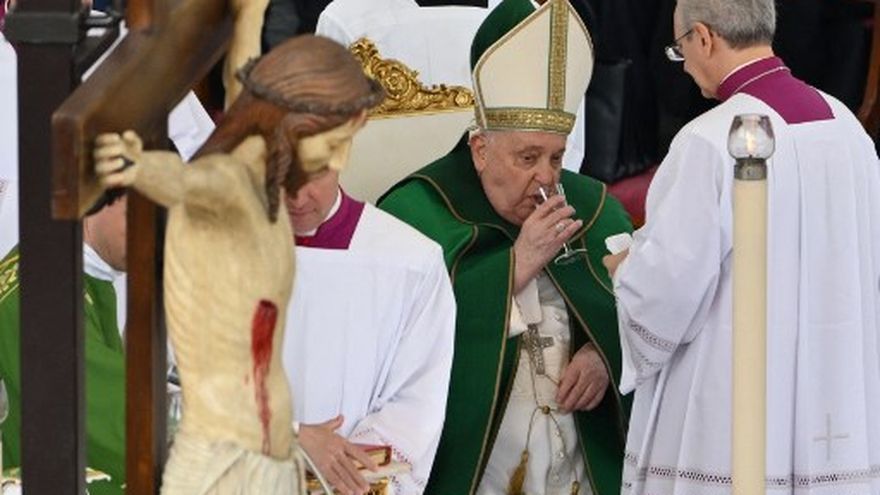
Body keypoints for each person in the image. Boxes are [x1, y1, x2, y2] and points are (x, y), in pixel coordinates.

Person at [602, 0, 880, 494]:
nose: (683, 66)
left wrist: (626, 270)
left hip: (733, 397)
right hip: (833, 386)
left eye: (680, 49)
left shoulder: (713, 139)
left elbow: (667, 293)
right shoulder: (845, 125)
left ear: (704, 38)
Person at [93, 35, 383, 493]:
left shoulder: (254, 187)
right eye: (332, 145)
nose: (342, 160)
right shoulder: (221, 199)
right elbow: (186, 183)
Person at [379, 1, 633, 494]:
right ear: (480, 150)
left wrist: (605, 355)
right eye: (527, 157)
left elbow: (643, 313)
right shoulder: (416, 213)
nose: (546, 179)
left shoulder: (592, 207)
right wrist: (514, 268)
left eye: (556, 157)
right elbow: (396, 344)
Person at [281, 168, 455, 495]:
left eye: (313, 174)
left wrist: (344, 476)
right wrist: (290, 436)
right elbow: (182, 386)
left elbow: (415, 404)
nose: (298, 197)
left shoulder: (411, 262)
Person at [0, 192, 128, 495]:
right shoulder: (43, 293)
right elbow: (125, 425)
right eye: (146, 214)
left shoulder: (57, 267)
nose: (161, 235)